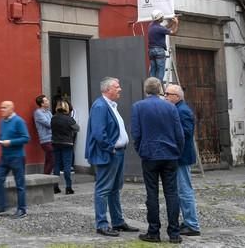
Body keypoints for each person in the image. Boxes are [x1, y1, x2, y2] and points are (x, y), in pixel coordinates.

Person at [131, 77, 185, 244]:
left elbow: (136, 133)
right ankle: (174, 233)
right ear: (160, 89)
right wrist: (178, 151)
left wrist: (140, 150)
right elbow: (179, 133)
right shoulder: (170, 107)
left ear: (146, 90)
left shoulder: (138, 107)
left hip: (149, 155)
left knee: (152, 194)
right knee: (172, 193)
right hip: (170, 155)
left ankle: (153, 231)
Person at [85, 77, 139, 237]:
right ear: (107, 89)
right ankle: (102, 224)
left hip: (117, 152)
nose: (120, 89)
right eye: (117, 87)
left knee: (115, 188)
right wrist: (110, 148)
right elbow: (98, 132)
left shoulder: (110, 105)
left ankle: (117, 221)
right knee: (103, 189)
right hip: (109, 153)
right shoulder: (100, 106)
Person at [165, 83, 201, 236]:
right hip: (178, 155)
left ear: (177, 97)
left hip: (182, 156)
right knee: (181, 190)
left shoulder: (183, 111)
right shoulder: (177, 109)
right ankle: (187, 221)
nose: (165, 96)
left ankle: (192, 224)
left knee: (185, 190)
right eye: (165, 94)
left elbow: (186, 133)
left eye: (168, 94)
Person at [0, 101, 30, 219]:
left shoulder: (19, 121)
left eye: (4, 108)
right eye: (1, 107)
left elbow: (26, 138)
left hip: (17, 156)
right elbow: (4, 136)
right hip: (4, 156)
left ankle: (22, 209)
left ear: (11, 109)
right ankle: (1, 206)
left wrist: (11, 142)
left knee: (20, 184)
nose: (1, 109)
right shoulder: (2, 121)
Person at [51, 100, 79, 194]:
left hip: (55, 143)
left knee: (57, 165)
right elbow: (77, 128)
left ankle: (55, 187)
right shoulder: (69, 119)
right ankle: (68, 187)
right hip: (67, 143)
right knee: (67, 165)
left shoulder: (53, 118)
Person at [148, 10, 179, 81]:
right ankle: (158, 88)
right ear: (159, 18)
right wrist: (176, 23)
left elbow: (165, 28)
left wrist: (172, 23)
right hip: (159, 50)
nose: (163, 18)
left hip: (151, 51)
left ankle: (151, 87)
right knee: (160, 71)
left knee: (153, 70)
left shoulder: (151, 26)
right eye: (162, 17)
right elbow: (174, 32)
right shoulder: (159, 28)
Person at [33, 95, 54, 175]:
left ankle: (46, 175)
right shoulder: (38, 113)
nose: (48, 101)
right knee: (52, 159)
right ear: (42, 104)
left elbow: (53, 122)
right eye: (46, 100)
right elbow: (49, 124)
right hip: (45, 140)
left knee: (49, 159)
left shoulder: (48, 112)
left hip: (51, 138)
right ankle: (47, 176)